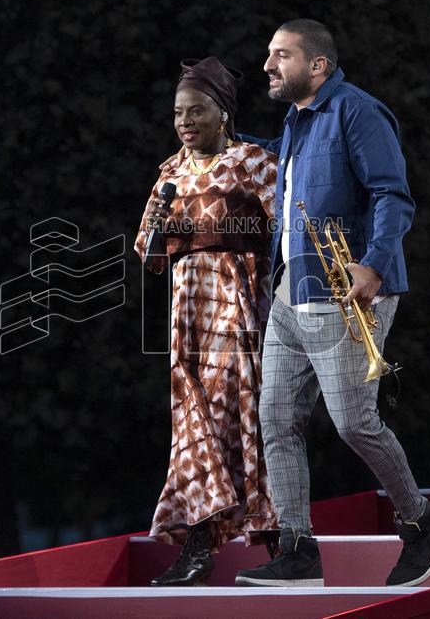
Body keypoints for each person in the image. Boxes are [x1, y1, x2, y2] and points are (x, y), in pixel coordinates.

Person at [234, 20, 430, 588]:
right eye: (268, 55)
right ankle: (298, 550)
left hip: (347, 292)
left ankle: (422, 522)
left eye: (280, 55)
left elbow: (392, 194)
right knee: (276, 419)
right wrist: (229, 141)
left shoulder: (360, 112)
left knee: (355, 423)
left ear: (318, 66)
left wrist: (375, 263)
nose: (267, 65)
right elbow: (284, 162)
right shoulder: (296, 119)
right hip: (292, 294)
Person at [134, 57, 279, 586]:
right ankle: (197, 547)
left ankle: (280, 541)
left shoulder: (253, 162)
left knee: (234, 413)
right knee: (192, 422)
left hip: (234, 302)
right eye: (178, 113)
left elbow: (287, 228)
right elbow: (148, 254)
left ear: (222, 113)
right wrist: (157, 225)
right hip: (184, 310)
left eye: (196, 110)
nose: (185, 121)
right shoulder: (169, 173)